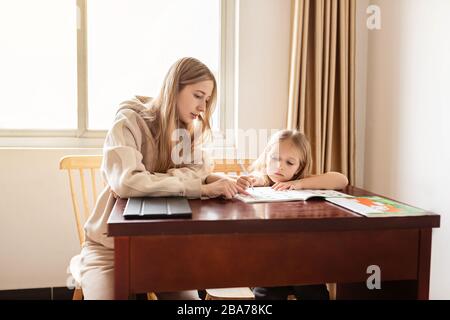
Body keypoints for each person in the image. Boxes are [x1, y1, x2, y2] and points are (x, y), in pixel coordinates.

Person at [79, 57, 246, 300]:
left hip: (162, 250)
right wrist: (198, 187)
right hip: (109, 251)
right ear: (174, 87)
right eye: (198, 95)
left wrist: (148, 180)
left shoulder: (188, 131)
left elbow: (199, 168)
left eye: (207, 100)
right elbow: (126, 183)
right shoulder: (128, 121)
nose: (203, 107)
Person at [236, 129, 348, 300]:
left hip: (303, 261)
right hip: (268, 263)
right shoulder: (261, 180)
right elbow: (259, 178)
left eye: (290, 162)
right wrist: (255, 180)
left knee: (313, 292)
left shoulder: (302, 182)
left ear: (299, 168)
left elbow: (341, 180)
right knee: (267, 294)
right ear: (266, 157)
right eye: (274, 158)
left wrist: (299, 183)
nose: (280, 166)